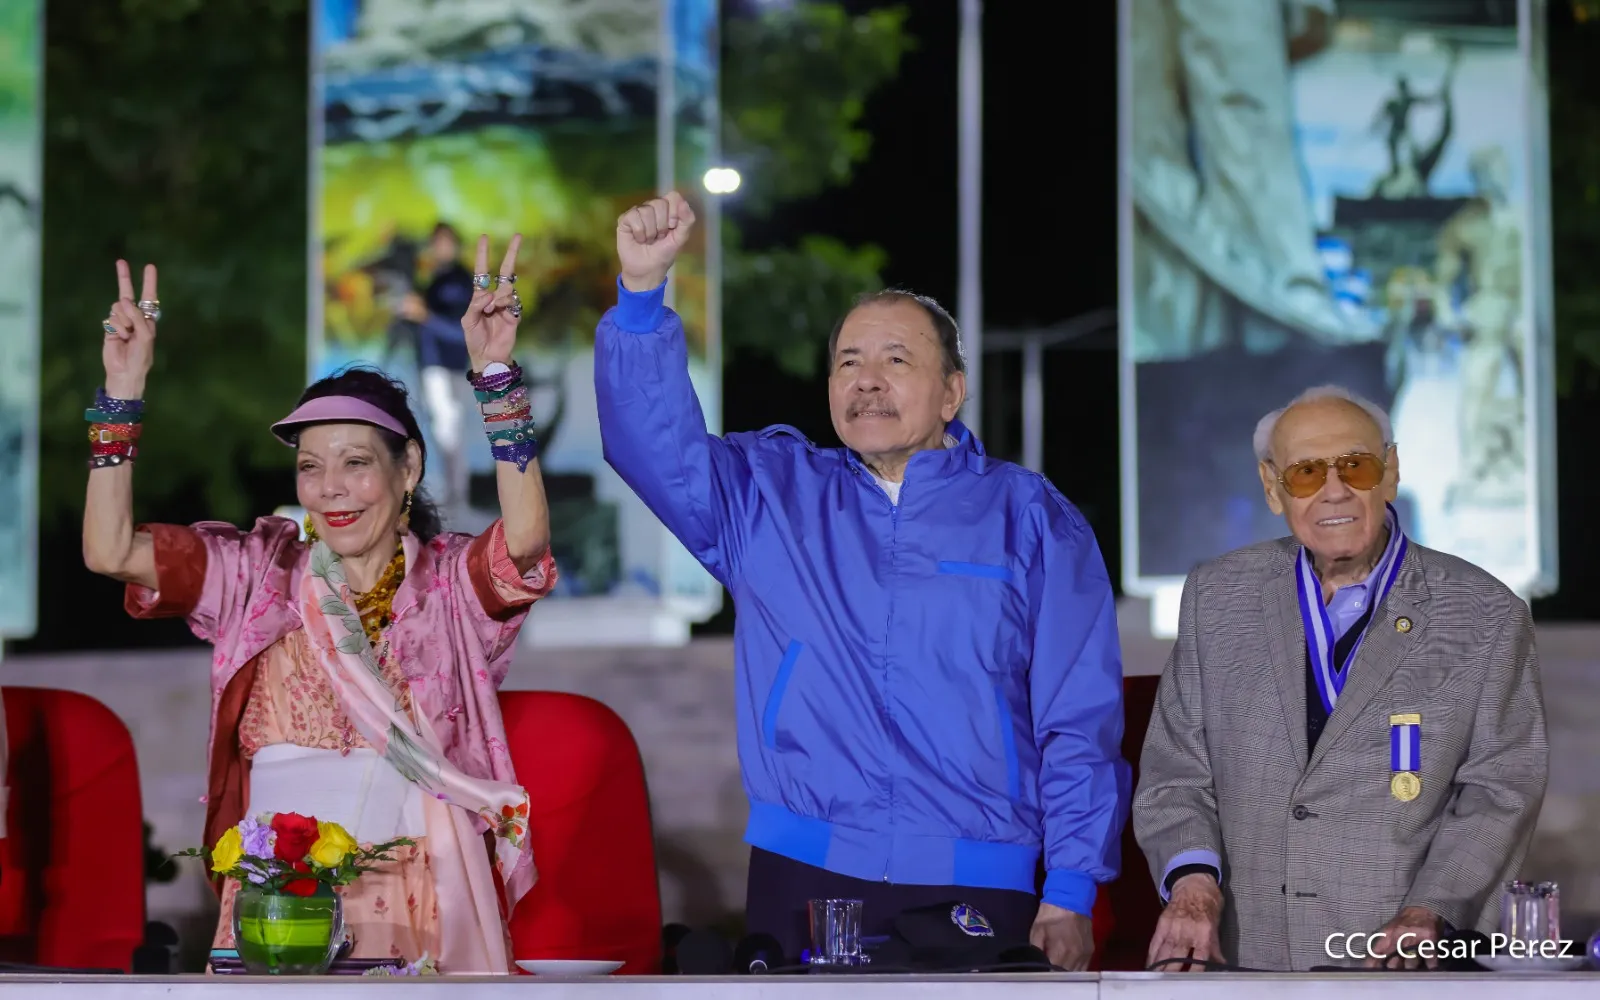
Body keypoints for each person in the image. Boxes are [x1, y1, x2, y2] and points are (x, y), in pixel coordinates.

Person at [594, 192, 1128, 970]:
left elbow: (1079, 717)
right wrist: (642, 299)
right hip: (803, 865)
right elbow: (652, 447)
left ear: (952, 392)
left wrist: (1072, 887)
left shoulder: (1032, 518)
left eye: (896, 360)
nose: (867, 381)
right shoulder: (769, 494)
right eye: (848, 361)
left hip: (978, 874)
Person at [82, 245, 556, 974]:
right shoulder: (257, 574)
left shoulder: (449, 586)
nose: (330, 487)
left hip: (413, 905)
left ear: (408, 468)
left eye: (356, 463)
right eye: (310, 466)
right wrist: (122, 394)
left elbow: (523, 542)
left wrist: (496, 379)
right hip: (272, 903)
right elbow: (110, 551)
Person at [1133, 384, 1547, 972]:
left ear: (1391, 472)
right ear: (1272, 487)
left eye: (1356, 466)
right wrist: (1193, 885)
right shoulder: (1216, 595)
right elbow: (1176, 772)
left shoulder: (1486, 612)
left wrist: (1433, 908)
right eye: (1306, 473)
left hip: (1400, 963)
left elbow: (1501, 789)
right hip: (1246, 958)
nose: (1334, 490)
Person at [399, 222, 478, 508]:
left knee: (449, 429)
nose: (440, 248)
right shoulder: (433, 278)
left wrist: (425, 315)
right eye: (436, 242)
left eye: (446, 242)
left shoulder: (460, 281)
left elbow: (461, 329)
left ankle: (457, 496)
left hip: (449, 365)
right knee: (436, 428)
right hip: (430, 363)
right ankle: (447, 493)